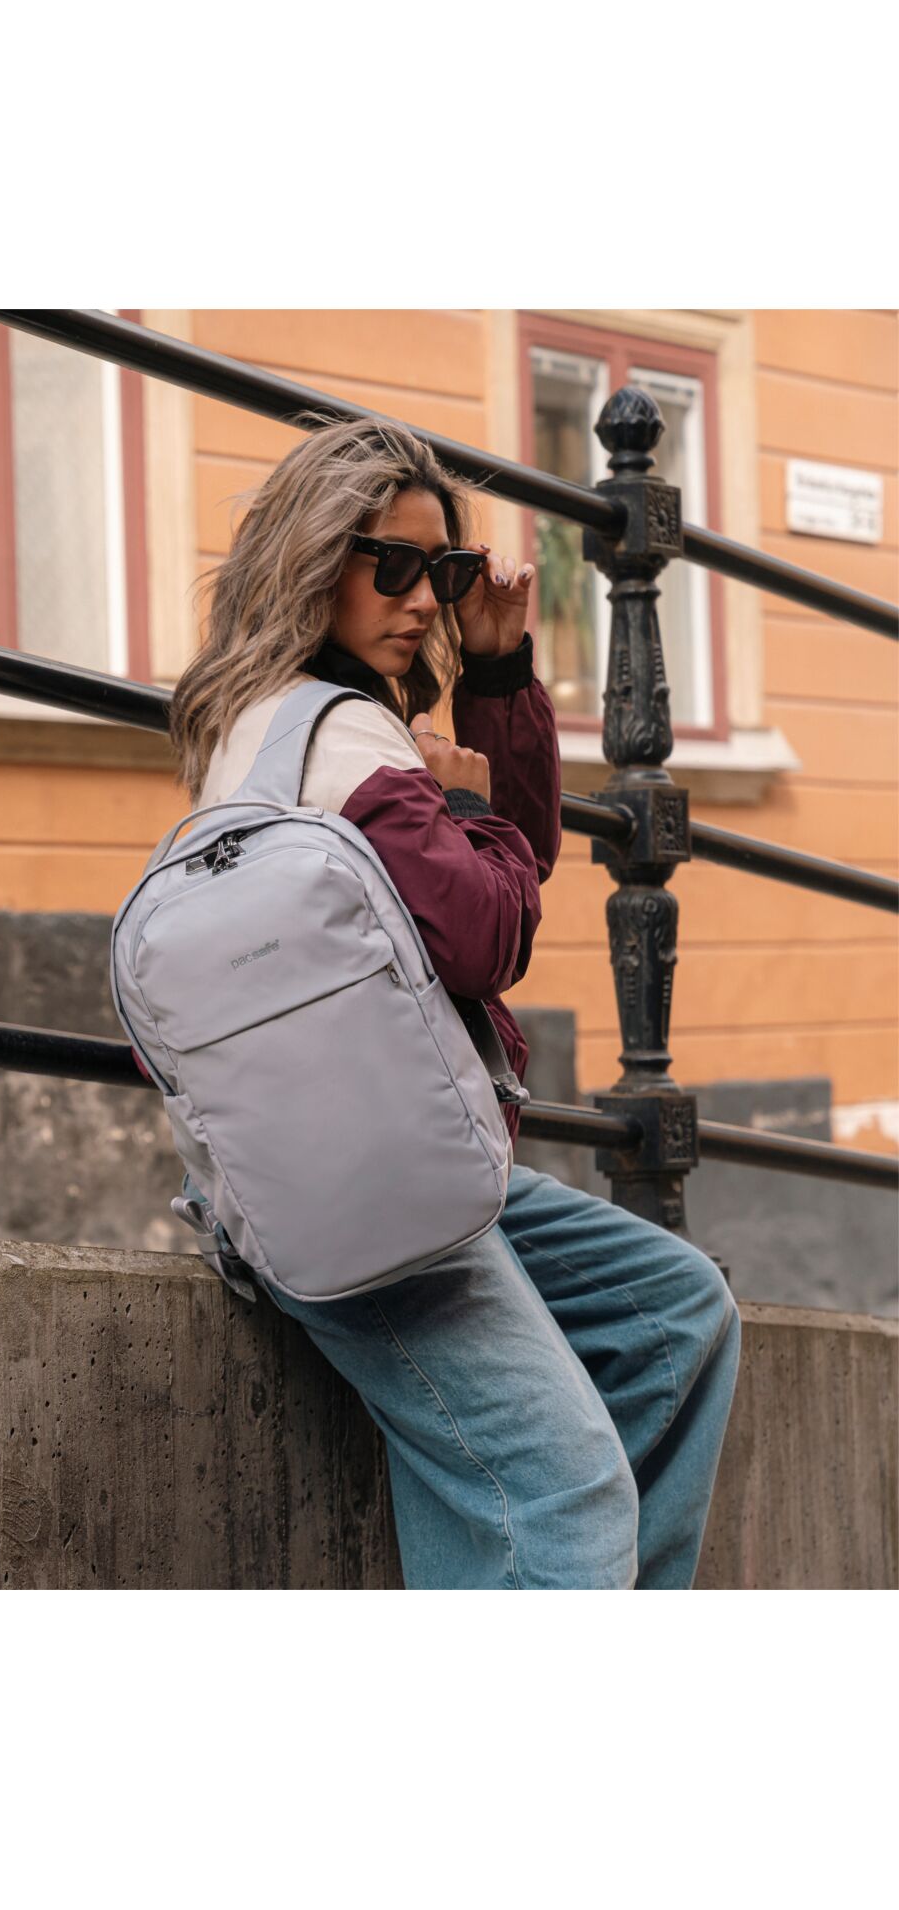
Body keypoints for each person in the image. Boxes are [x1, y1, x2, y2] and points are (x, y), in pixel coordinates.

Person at [165, 414, 743, 1590]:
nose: (423, 597)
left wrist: (495, 675)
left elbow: (510, 862)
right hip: (358, 1190)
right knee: (564, 1495)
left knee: (676, 1313)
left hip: (368, 1153)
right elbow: (488, 934)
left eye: (443, 567)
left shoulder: (288, 719)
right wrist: (464, 810)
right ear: (313, 561)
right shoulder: (344, 744)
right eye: (393, 565)